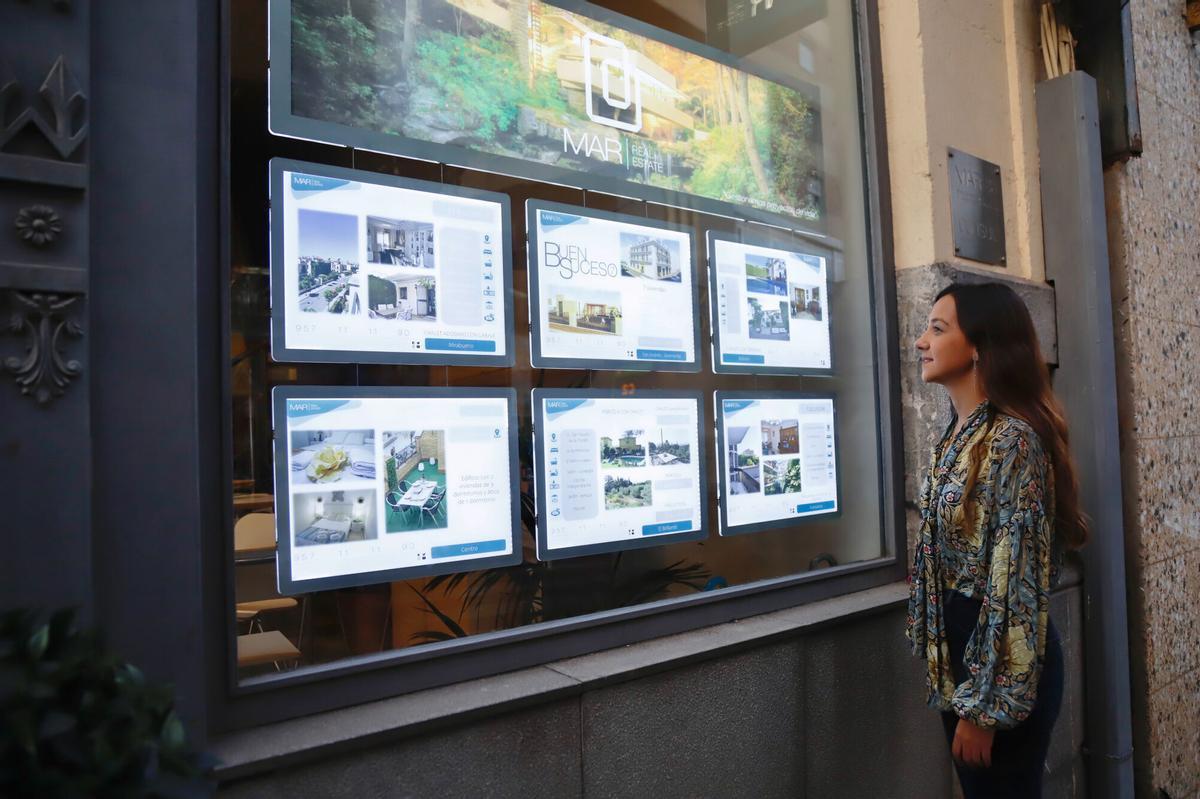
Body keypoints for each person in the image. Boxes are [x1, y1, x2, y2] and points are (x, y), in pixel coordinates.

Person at [905, 282, 1089, 797]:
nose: (921, 341)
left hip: (998, 663)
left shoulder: (1012, 442)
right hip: (967, 652)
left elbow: (1015, 583)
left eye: (938, 329)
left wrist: (986, 708)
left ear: (979, 345)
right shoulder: (960, 435)